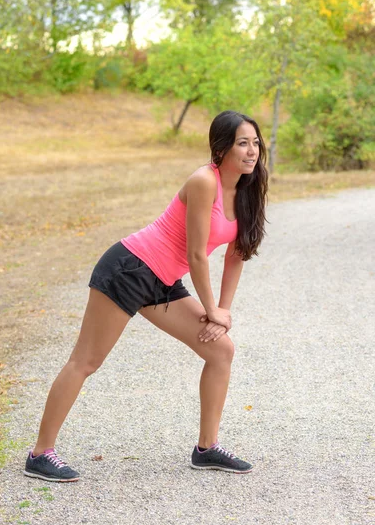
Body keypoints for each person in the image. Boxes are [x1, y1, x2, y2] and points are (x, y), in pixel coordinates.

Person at [24, 110, 268, 482]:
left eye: (255, 143)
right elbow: (197, 255)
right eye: (242, 143)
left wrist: (223, 310)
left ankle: (207, 449)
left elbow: (237, 255)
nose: (251, 151)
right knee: (86, 361)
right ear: (220, 148)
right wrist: (209, 309)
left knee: (221, 350)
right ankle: (40, 453)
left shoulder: (248, 189)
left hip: (163, 281)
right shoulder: (205, 181)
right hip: (130, 268)